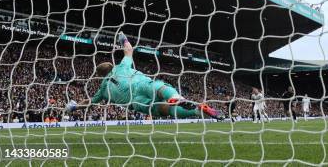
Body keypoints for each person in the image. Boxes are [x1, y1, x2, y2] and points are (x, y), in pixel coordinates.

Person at [68, 32, 223, 120]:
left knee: (165, 109)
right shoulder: (120, 67)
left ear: (101, 76)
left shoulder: (102, 89)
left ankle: (196, 111)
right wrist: (122, 37)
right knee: (161, 88)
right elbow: (129, 49)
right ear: (111, 66)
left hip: (136, 101)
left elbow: (89, 102)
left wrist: (74, 106)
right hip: (141, 84)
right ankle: (178, 98)